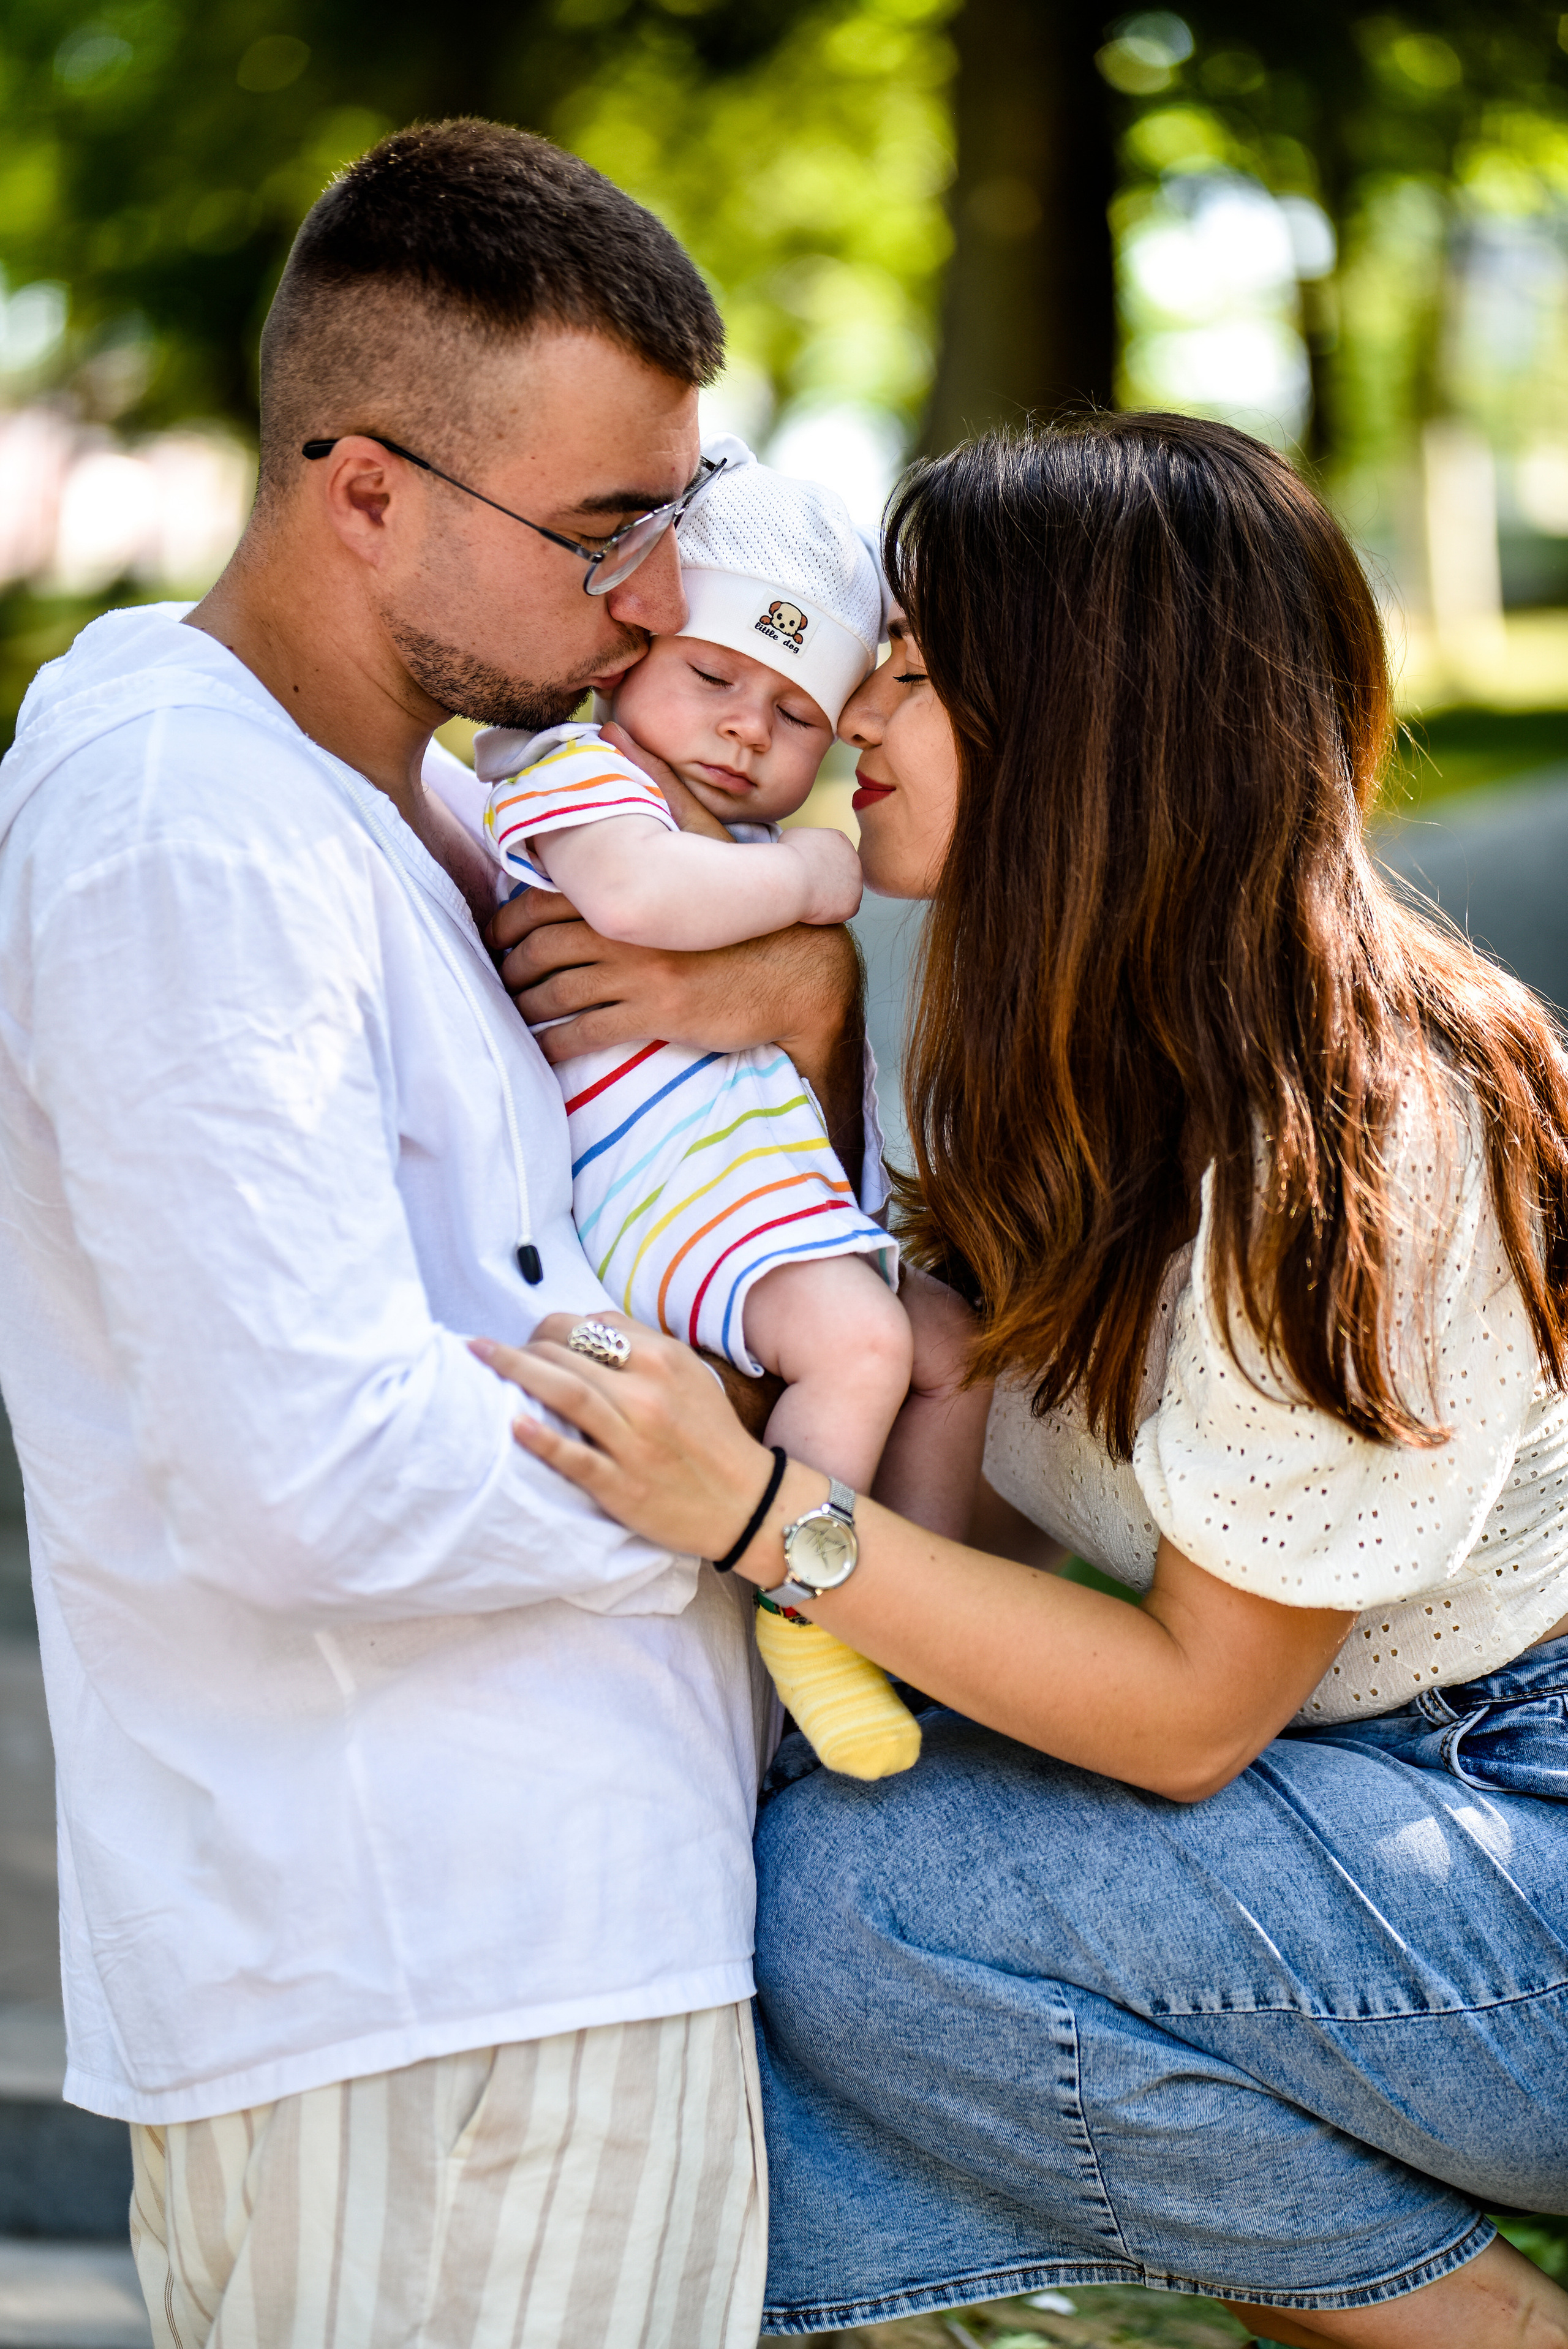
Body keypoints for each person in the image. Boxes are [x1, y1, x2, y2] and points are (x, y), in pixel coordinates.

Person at [474, 414, 1568, 2349]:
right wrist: (812, 1034)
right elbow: (942, 1524)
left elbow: (1183, 1720)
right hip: (1349, 1800)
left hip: (1513, 1829)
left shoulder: (1362, 1118)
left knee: (863, 1903)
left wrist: (747, 1514)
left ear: (1085, 710)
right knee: (756, 1845)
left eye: (915, 655)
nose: (853, 701)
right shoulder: (1050, 1029)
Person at [0, 119, 876, 2349]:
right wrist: (738, 1482)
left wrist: (802, 992)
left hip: (543, 1955)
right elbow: (313, 1467)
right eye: (606, 533)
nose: (665, 601)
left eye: (675, 520)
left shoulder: (419, 798)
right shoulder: (189, 836)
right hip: (428, 1985)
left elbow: (647, 1188)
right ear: (362, 486)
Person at [479, 439, 986, 1779]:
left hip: (749, 1192)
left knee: (950, 1350)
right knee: (861, 1350)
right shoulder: (581, 777)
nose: (742, 728)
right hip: (666, 1190)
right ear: (628, 657)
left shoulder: (733, 837)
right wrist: (820, 879)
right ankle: (811, 1610)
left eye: (793, 715)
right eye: (711, 675)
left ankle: (912, 1624)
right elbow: (643, 902)